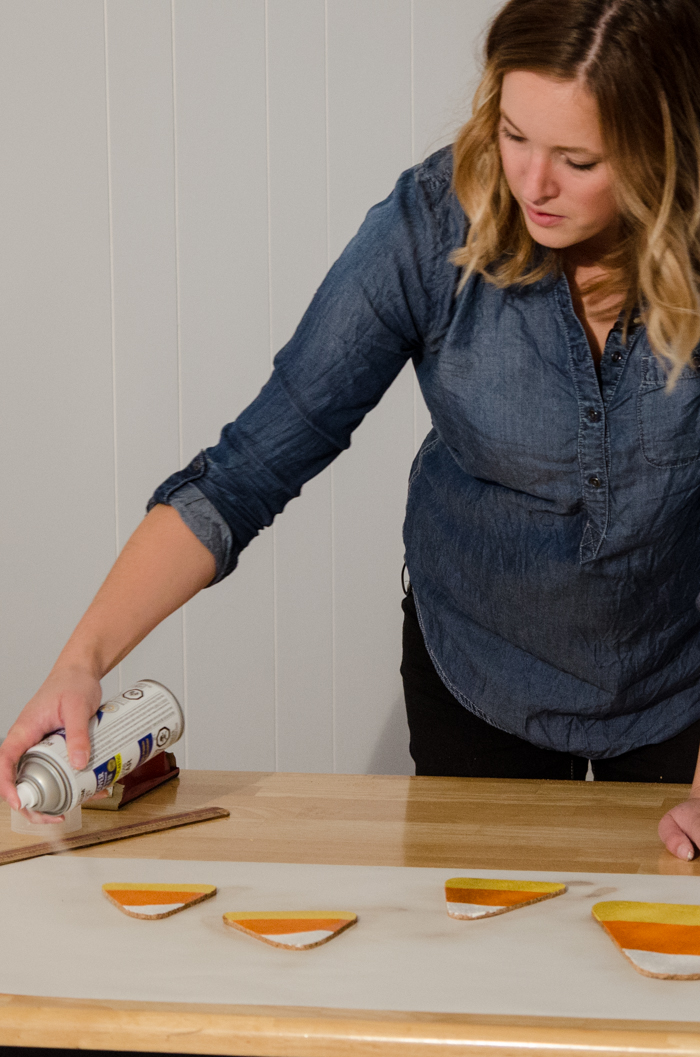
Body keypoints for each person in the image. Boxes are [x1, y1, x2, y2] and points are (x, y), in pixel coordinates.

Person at [1, 0, 699, 859]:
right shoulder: (432, 225)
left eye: (578, 158)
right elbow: (245, 470)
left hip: (679, 683)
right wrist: (82, 658)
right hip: (476, 669)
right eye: (515, 134)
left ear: (661, 145)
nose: (532, 183)